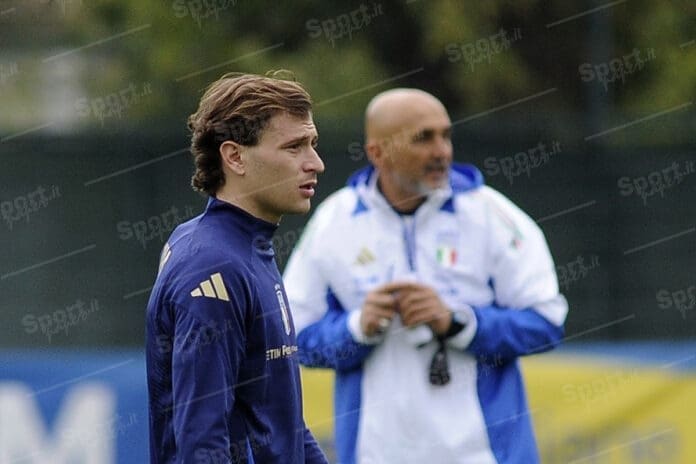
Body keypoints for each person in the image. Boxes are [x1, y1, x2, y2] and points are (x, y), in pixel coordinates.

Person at [283, 88, 568, 464]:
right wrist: (357, 328)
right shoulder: (332, 223)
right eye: (424, 138)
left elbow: (546, 323)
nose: (442, 151)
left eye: (446, 135)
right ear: (377, 153)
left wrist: (457, 322)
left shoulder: (494, 217)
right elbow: (291, 339)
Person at [146, 73, 328, 464]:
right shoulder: (212, 266)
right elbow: (202, 443)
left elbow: (279, 418)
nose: (316, 163)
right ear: (234, 156)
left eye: (312, 144)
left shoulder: (246, 244)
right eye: (294, 147)